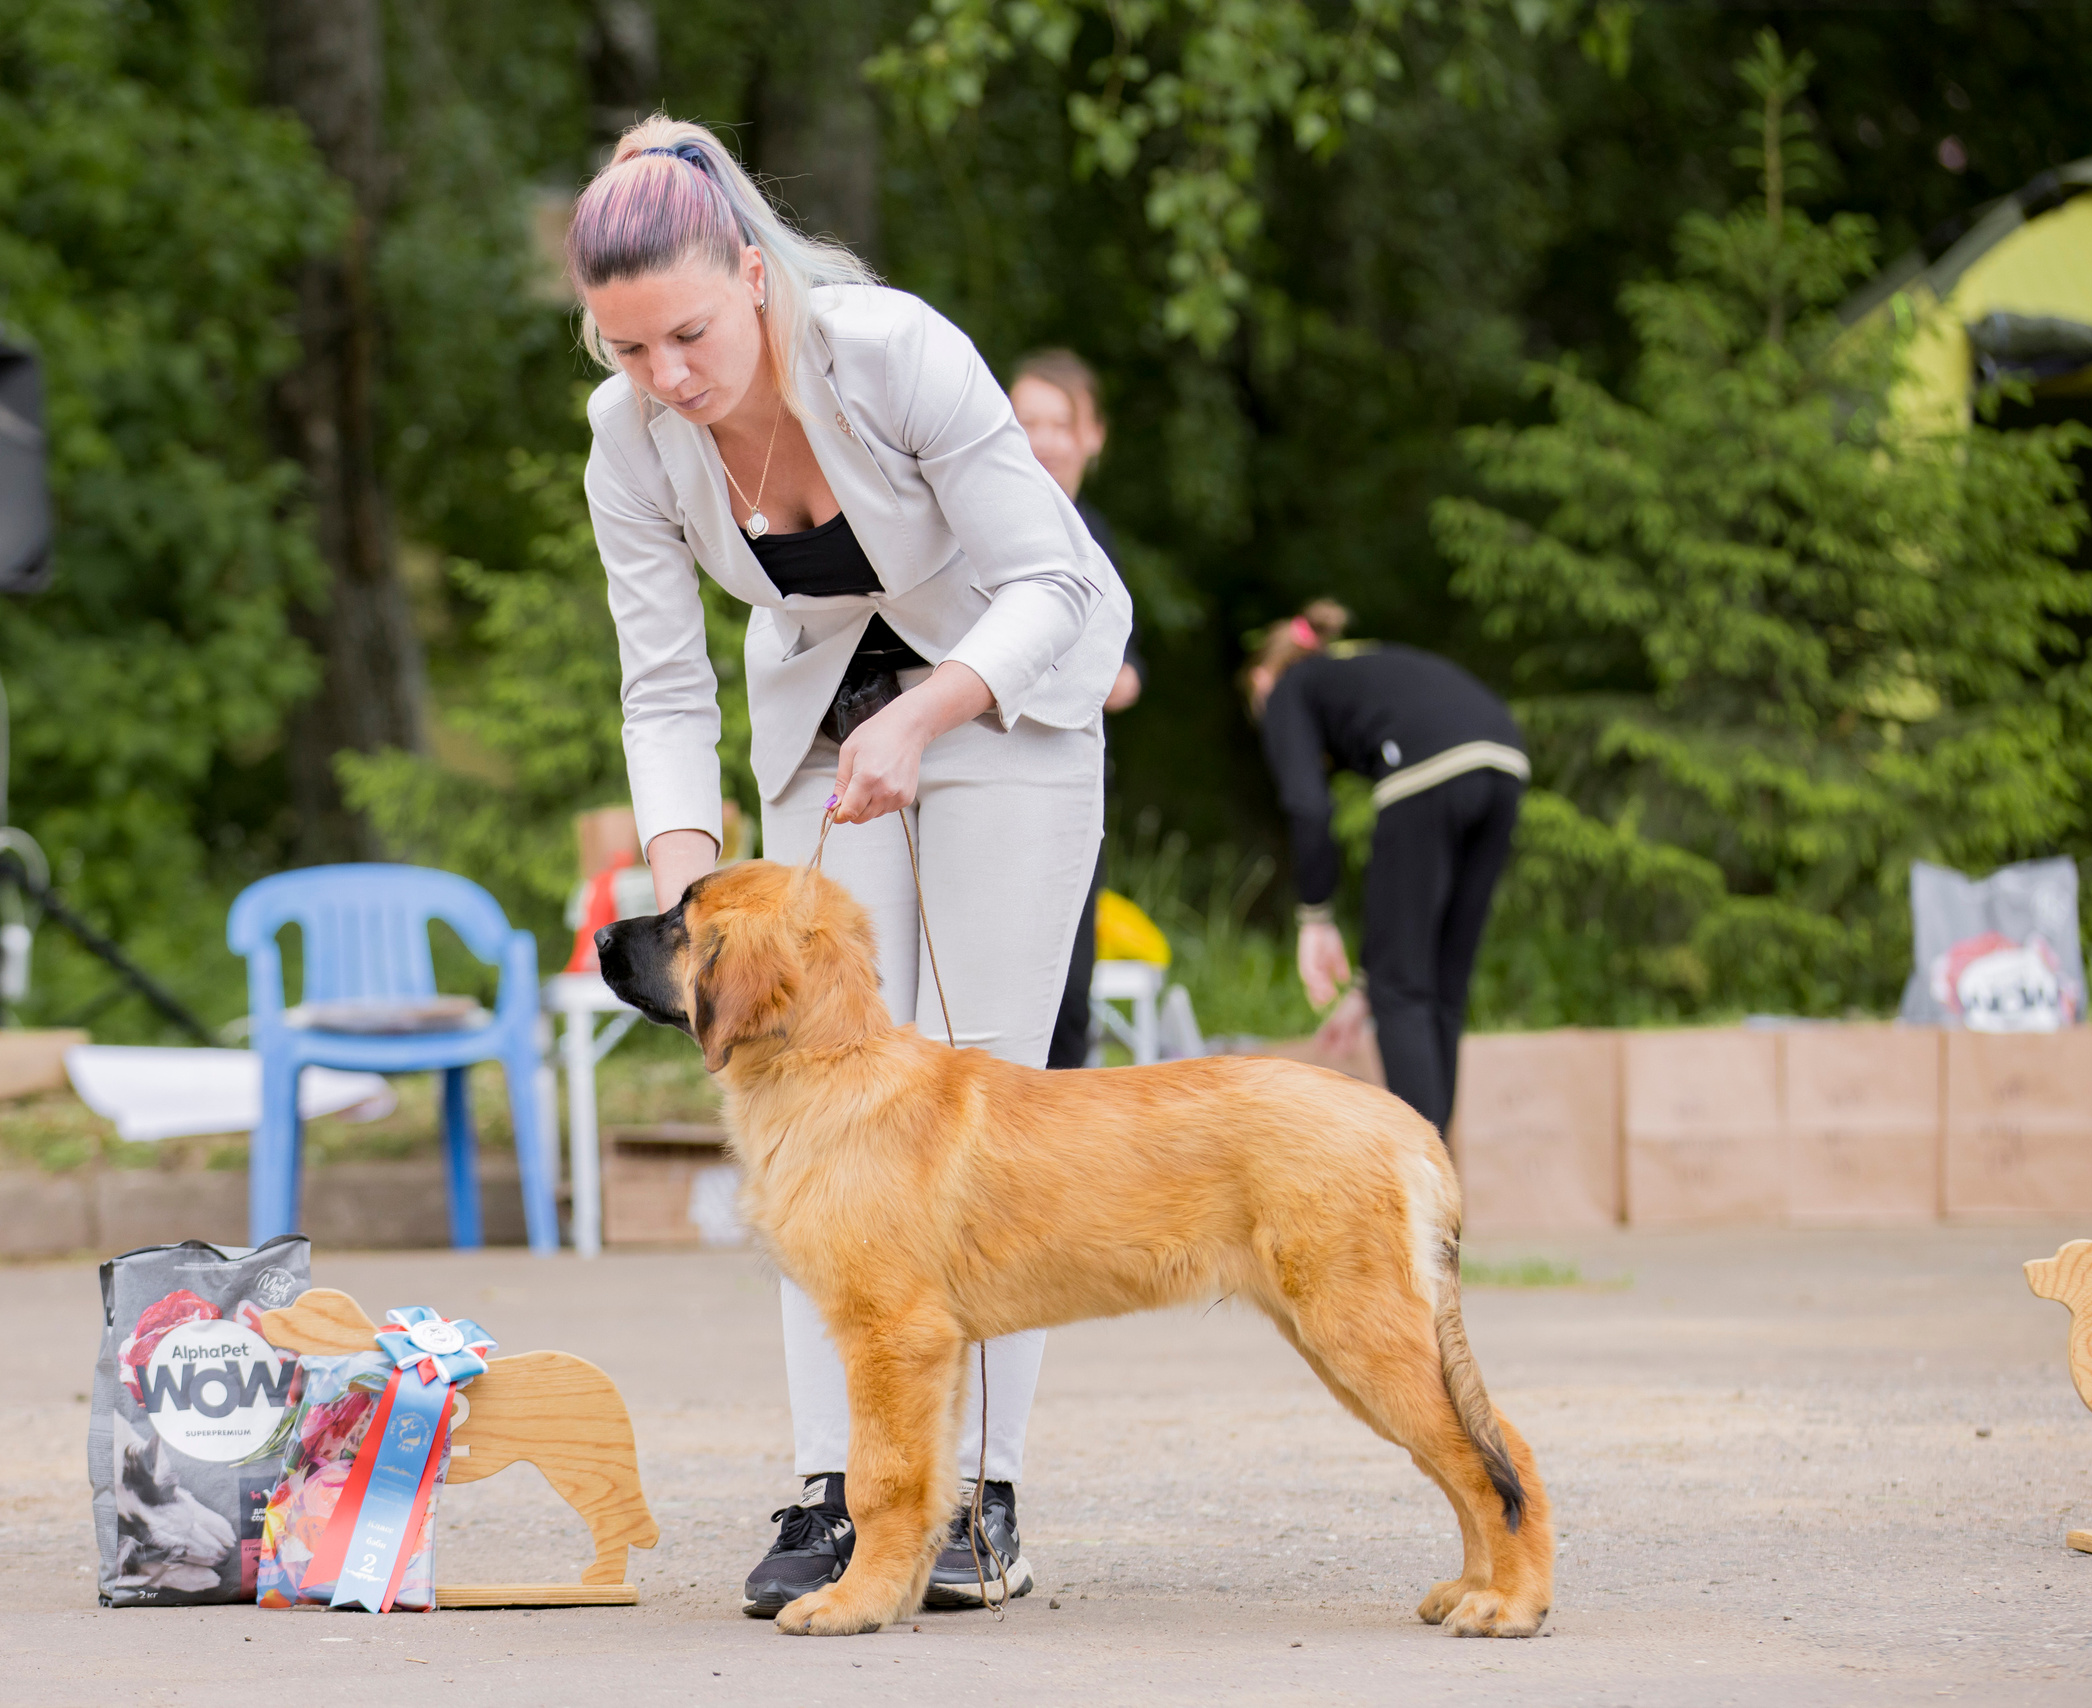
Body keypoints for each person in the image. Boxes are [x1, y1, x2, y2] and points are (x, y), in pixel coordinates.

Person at [570, 117, 1130, 1616]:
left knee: (985, 1093)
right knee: (804, 1096)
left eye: (689, 335)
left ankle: (976, 1500)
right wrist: (694, 892)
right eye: (628, 352)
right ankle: (839, 1489)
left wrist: (938, 711)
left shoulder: (895, 354)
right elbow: (664, 689)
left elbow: (1050, 577)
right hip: (823, 724)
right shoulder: (627, 442)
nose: (668, 378)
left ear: (752, 277)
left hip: (1009, 692)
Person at [1248, 601, 1526, 1136]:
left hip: (1428, 767)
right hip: (1505, 760)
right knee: (1441, 987)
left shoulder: (1285, 688)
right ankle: (1441, 1202)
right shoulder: (1355, 667)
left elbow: (1308, 804)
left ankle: (1419, 1192)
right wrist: (1363, 989)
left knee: (1404, 994)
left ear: (1263, 678)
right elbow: (1406, 914)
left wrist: (1315, 917)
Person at [1008, 350, 1143, 1071]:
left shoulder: (1097, 538)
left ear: (1093, 435)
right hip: (986, 782)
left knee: (1068, 993)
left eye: (1060, 422)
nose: (1043, 439)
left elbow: (1125, 673)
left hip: (1070, 791)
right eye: (1026, 420)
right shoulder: (983, 525)